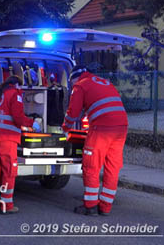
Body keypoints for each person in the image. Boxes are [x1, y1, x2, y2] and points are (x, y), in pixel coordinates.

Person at [63, 65, 128, 216]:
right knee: (112, 167)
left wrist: (65, 128)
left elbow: (73, 112)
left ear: (74, 78)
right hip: (121, 127)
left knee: (91, 165)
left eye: (71, 82)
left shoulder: (80, 85)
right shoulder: (103, 82)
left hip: (102, 128)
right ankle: (105, 208)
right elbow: (102, 105)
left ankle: (90, 206)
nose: (72, 85)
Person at [0, 75, 41, 214]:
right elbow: (18, 117)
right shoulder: (15, 94)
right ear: (17, 85)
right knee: (9, 170)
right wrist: (33, 123)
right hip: (6, 139)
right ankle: (7, 205)